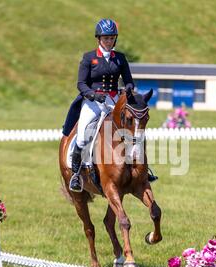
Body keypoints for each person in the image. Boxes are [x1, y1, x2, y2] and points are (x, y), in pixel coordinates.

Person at [63, 19, 157, 192]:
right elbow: (81, 84)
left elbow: (129, 81)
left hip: (114, 101)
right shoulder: (89, 58)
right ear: (99, 38)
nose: (109, 41)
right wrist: (92, 95)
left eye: (112, 38)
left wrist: (128, 89)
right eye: (106, 38)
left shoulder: (120, 58)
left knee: (131, 130)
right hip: (92, 102)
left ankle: (142, 170)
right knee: (83, 135)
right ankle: (76, 174)